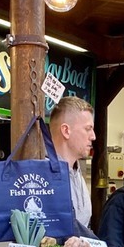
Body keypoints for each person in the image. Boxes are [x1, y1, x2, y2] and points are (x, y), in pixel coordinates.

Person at [49, 96, 95, 234]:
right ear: (66, 131)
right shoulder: (44, 177)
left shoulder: (77, 173)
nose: (93, 136)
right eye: (88, 129)